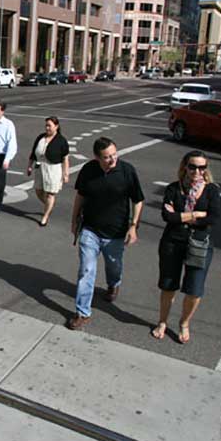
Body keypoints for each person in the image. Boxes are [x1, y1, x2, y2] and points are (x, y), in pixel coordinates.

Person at [68, 137, 145, 330]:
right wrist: (74, 219)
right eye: (106, 157)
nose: (112, 159)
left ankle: (113, 284)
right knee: (86, 270)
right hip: (90, 229)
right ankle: (82, 313)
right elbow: (81, 195)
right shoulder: (89, 170)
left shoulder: (127, 171)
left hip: (116, 233)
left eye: (114, 154)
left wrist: (133, 226)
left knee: (114, 266)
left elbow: (138, 200)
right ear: (97, 158)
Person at [151, 151, 220, 344]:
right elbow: (167, 216)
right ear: (185, 167)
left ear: (206, 169)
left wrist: (181, 216)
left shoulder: (212, 190)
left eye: (201, 167)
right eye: (192, 167)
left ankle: (184, 323)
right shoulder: (173, 188)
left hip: (200, 243)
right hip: (173, 242)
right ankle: (162, 321)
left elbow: (213, 218)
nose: (197, 171)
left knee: (194, 289)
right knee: (168, 285)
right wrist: (197, 214)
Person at [26, 116, 70, 227]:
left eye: (49, 125)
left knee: (50, 194)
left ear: (56, 126)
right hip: (40, 167)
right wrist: (29, 166)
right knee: (38, 191)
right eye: (46, 125)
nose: (47, 128)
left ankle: (45, 216)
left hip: (53, 169)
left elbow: (65, 159)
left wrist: (66, 174)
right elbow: (33, 153)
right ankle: (49, 205)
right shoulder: (41, 137)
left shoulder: (61, 140)